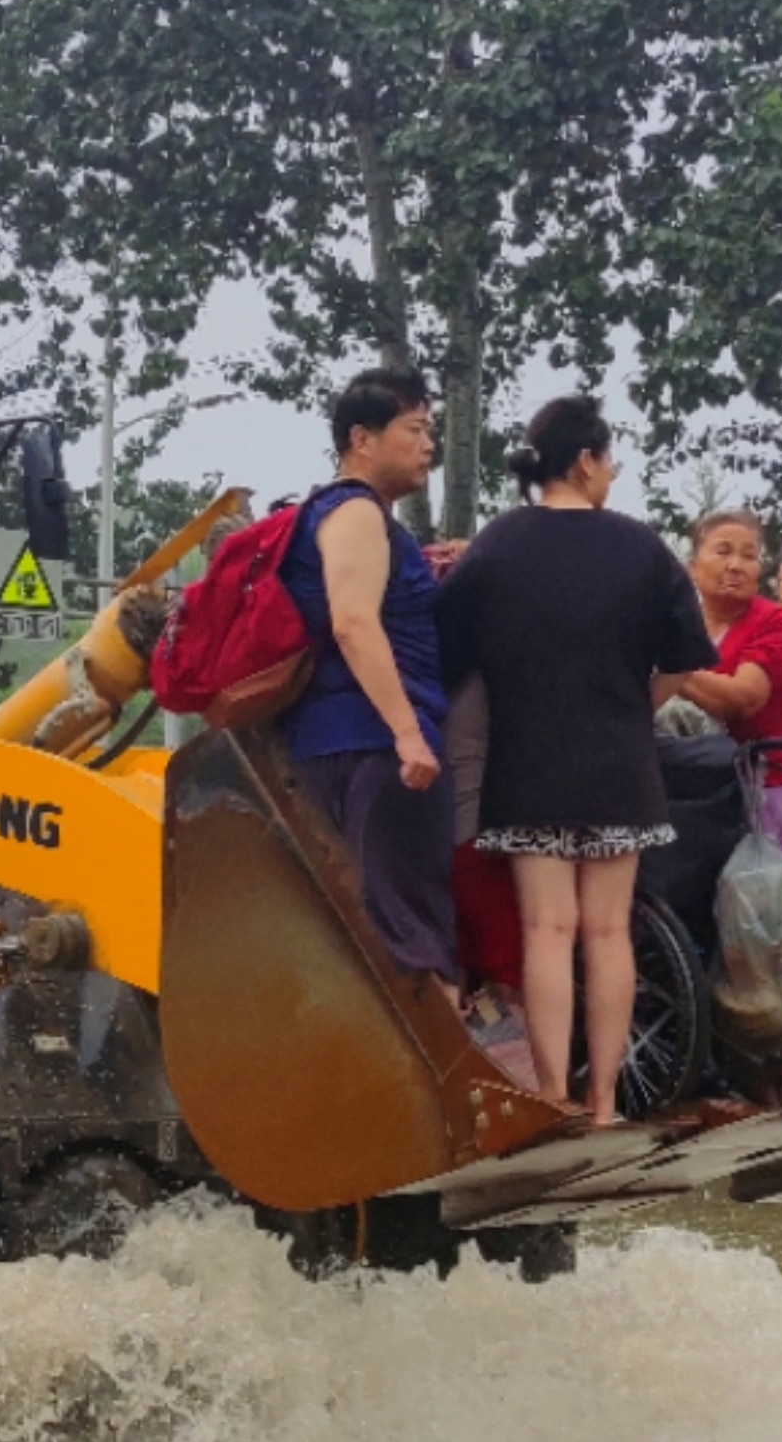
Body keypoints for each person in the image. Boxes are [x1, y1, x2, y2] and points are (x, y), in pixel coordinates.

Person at [437, 394, 716, 1125]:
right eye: (610, 461)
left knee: (547, 932)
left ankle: (552, 1092)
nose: (612, 474)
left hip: (527, 766)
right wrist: (633, 704)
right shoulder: (640, 547)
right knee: (608, 931)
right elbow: (687, 656)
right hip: (619, 766)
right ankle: (603, 1103)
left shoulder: (497, 545)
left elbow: (444, 655)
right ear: (586, 461)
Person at [278, 367, 461, 991]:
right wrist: (407, 733)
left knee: (371, 928)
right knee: (409, 936)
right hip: (377, 748)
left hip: (345, 741)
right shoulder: (355, 512)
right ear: (364, 438)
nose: (429, 444)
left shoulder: (342, 515)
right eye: (415, 428)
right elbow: (354, 623)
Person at [671, 511, 782, 865]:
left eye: (749, 556)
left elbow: (744, 699)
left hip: (765, 787)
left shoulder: (777, 621)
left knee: (763, 910)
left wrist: (666, 665)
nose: (735, 566)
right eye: (723, 552)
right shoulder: (681, 627)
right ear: (692, 566)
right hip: (693, 793)